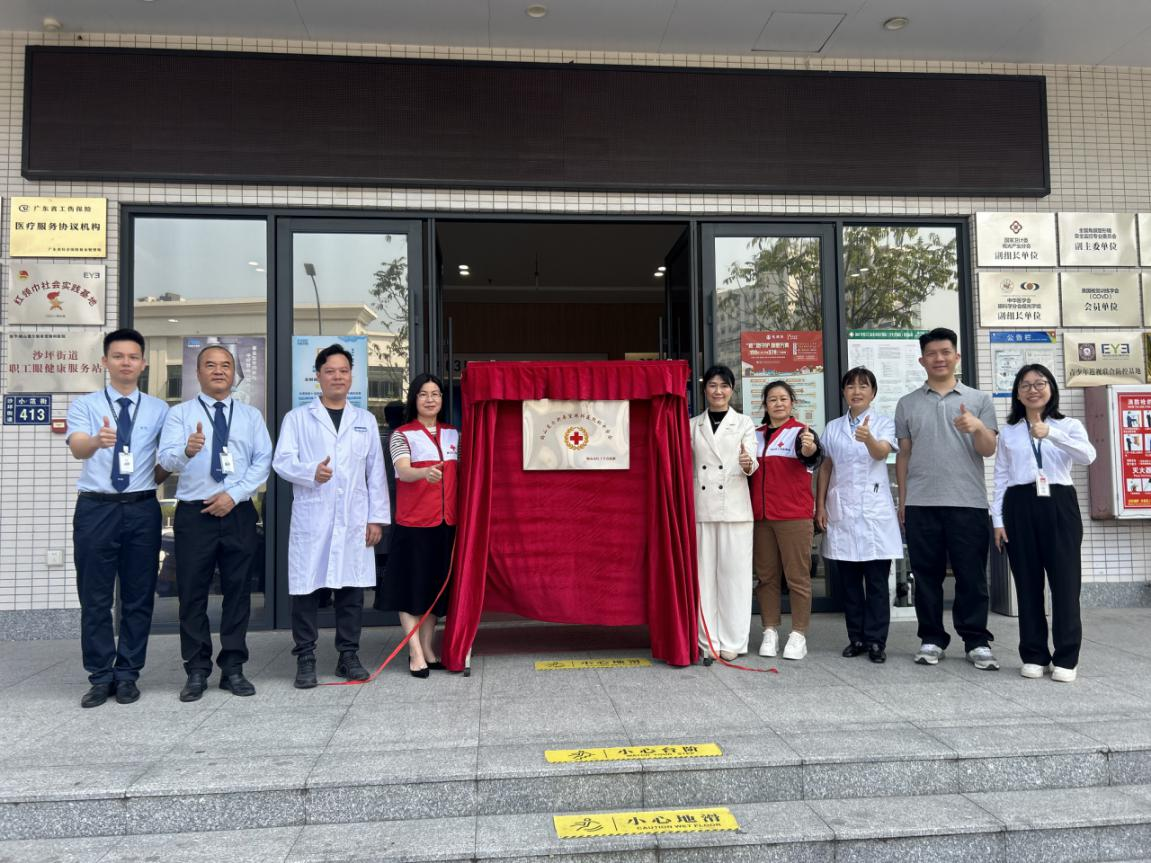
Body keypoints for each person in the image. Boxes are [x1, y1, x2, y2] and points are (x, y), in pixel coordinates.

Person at [158, 345, 272, 701]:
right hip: (195, 514)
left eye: (225, 365)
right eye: (210, 365)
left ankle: (233, 668)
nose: (219, 371)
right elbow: (165, 460)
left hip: (237, 512)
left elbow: (263, 460)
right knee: (192, 593)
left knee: (238, 592)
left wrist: (233, 495)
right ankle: (196, 669)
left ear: (234, 373)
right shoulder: (179, 414)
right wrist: (187, 451)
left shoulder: (250, 416)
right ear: (198, 373)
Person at [272, 344, 389, 688]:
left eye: (343, 371)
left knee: (351, 589)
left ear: (351, 376)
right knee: (307, 589)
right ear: (318, 376)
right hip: (314, 518)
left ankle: (348, 655)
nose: (337, 377)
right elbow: (282, 461)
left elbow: (376, 474)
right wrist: (311, 472)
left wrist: (376, 518)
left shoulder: (365, 420)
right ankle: (305, 656)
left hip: (354, 519)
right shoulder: (297, 418)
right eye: (330, 371)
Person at [66, 329, 169, 708]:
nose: (126, 362)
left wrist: (153, 476)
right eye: (118, 356)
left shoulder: (159, 410)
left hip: (141, 508)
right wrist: (96, 441)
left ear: (143, 364)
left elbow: (166, 460)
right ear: (105, 362)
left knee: (138, 595)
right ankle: (99, 675)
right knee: (95, 597)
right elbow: (78, 447)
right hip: (97, 508)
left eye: (133, 356)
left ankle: (127, 674)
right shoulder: (86, 405)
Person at [895, 327, 999, 669]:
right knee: (926, 576)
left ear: (957, 356)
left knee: (972, 576)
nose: (939, 358)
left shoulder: (979, 400)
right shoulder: (907, 403)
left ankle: (976, 640)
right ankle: (931, 639)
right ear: (921, 360)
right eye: (932, 353)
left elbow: (988, 449)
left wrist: (977, 427)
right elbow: (904, 455)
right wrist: (903, 501)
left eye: (945, 352)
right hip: (921, 502)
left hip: (968, 501)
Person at [992, 364, 1096, 683]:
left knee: (1065, 584)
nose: (1033, 390)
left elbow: (1088, 456)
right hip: (1019, 505)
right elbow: (1001, 477)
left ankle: (1066, 658)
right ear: (1017, 393)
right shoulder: (1009, 431)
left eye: (1040, 383)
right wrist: (997, 520)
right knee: (1027, 584)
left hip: (1059, 502)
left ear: (1051, 388)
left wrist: (1051, 433)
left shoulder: (1069, 425)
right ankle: (1034, 654)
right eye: (1025, 385)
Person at [815, 367, 903, 664]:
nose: (856, 391)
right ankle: (856, 638)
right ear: (843, 392)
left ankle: (876, 641)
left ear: (873, 392)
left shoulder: (883, 423)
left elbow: (881, 453)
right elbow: (826, 467)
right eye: (851, 386)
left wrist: (868, 439)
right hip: (841, 510)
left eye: (863, 386)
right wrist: (820, 505)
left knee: (876, 583)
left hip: (874, 511)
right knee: (850, 584)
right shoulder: (833, 427)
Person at [376, 374, 459, 677]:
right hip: (414, 524)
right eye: (423, 394)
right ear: (414, 399)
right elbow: (403, 471)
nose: (430, 399)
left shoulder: (453, 434)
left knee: (435, 589)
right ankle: (414, 652)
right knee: (411, 589)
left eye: (435, 394)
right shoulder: (402, 435)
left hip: (446, 523)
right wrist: (424, 473)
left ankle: (428, 648)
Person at [690, 365, 758, 661]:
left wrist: (747, 463)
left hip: (735, 508)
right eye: (712, 385)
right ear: (705, 389)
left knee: (735, 578)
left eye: (724, 385)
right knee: (704, 578)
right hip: (702, 508)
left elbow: (752, 459)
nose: (718, 391)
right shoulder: (692, 425)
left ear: (732, 389)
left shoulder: (744, 423)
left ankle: (734, 640)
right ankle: (707, 640)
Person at [751, 380, 821, 660]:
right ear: (765, 405)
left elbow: (811, 456)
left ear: (792, 403)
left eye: (783, 398)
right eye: (772, 399)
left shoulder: (802, 433)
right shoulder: (754, 435)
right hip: (761, 518)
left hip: (793, 517)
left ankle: (798, 634)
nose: (778, 403)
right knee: (766, 578)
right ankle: (770, 630)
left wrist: (809, 449)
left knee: (797, 578)